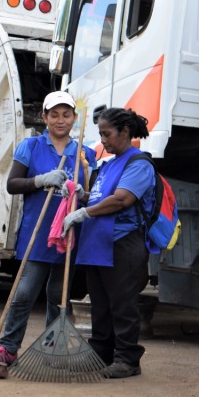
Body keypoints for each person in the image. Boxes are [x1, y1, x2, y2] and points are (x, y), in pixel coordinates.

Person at [0, 90, 97, 366]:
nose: (60, 120)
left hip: (68, 233)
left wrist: (82, 195)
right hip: (36, 234)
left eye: (66, 115)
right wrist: (40, 180)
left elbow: (93, 194)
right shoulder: (31, 146)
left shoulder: (84, 153)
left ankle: (52, 348)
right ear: (44, 117)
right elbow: (13, 184)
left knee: (57, 295)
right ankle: (8, 348)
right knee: (24, 293)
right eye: (54, 115)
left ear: (75, 118)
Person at [62, 107, 157, 379]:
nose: (102, 140)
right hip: (98, 244)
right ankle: (100, 354)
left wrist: (84, 212)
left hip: (122, 244)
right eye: (100, 134)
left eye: (107, 134)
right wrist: (83, 196)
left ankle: (128, 359)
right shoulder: (110, 164)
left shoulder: (138, 164)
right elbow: (101, 196)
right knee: (101, 305)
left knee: (122, 304)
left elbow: (121, 199)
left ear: (125, 132)